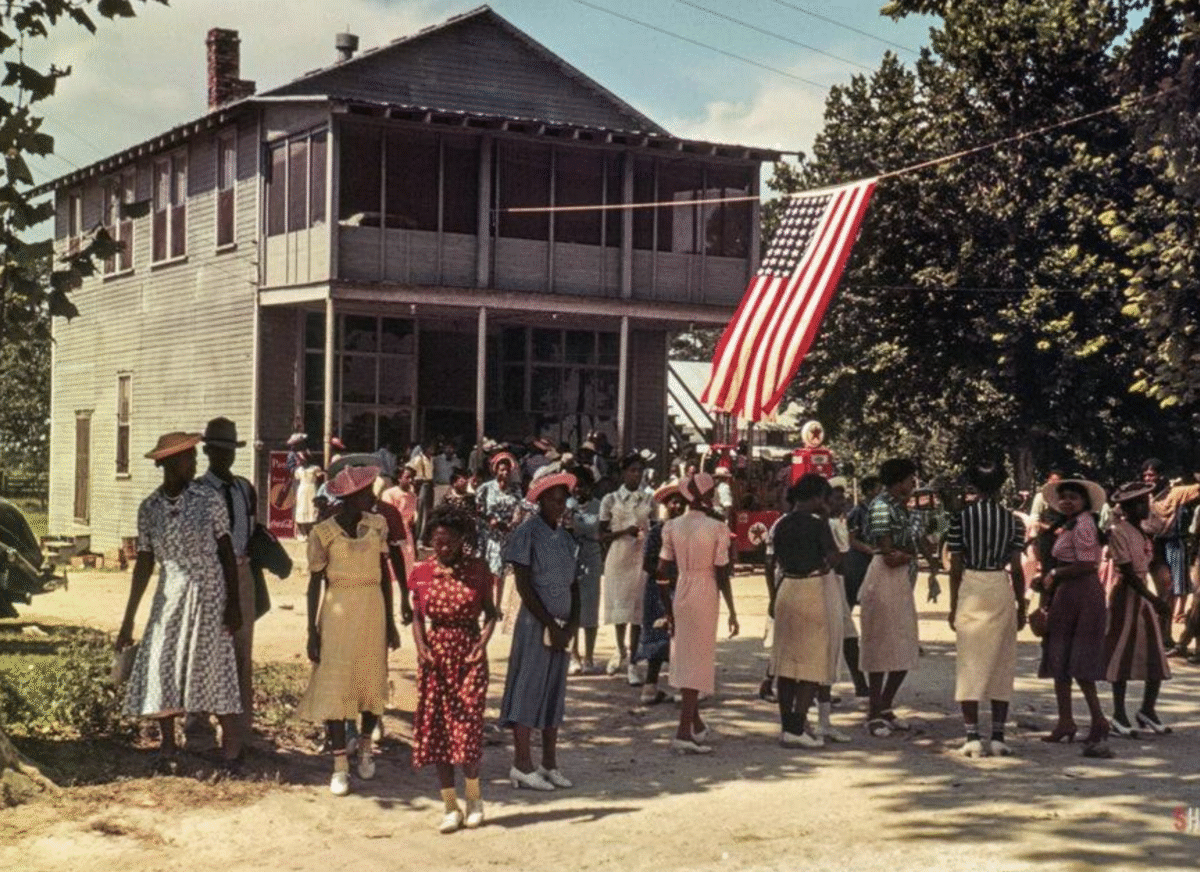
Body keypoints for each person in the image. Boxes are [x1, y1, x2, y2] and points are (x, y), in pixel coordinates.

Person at [116, 432, 243, 768]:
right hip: (169, 592)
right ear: (169, 463)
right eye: (188, 458)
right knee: (162, 663)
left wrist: (234, 602)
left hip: (208, 591)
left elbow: (226, 552)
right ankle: (168, 747)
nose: (195, 464)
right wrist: (129, 619)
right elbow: (144, 563)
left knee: (213, 664)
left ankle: (232, 749)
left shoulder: (208, 499)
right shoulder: (150, 508)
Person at [298, 465, 402, 795]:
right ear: (349, 497)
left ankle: (366, 750)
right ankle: (340, 765)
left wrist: (391, 622)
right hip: (337, 612)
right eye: (366, 493)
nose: (372, 498)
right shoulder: (323, 532)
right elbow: (314, 584)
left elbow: (385, 577)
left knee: (370, 678)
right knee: (335, 684)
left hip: (372, 610)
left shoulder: (377, 526)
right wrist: (312, 631)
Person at [409, 505, 498, 833]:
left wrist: (481, 644)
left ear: (462, 540)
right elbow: (417, 615)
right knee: (438, 732)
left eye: (449, 542)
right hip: (435, 658)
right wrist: (421, 647)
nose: (442, 547)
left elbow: (491, 613)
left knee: (468, 727)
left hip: (468, 656)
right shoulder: (421, 571)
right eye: (437, 541)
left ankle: (474, 799)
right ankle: (450, 806)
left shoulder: (477, 570)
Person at [499, 472, 580, 791]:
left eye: (564, 500)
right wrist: (548, 623)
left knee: (553, 693)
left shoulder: (567, 539)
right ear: (541, 500)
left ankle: (549, 763)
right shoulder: (527, 533)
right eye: (555, 500)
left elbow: (575, 585)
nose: (560, 506)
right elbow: (522, 583)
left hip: (561, 626)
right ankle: (522, 763)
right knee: (528, 688)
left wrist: (570, 626)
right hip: (536, 623)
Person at [945, 460, 1027, 757]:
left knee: (970, 659)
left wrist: (953, 605)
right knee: (1001, 660)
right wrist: (1022, 604)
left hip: (972, 585)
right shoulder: (1013, 521)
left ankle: (971, 736)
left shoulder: (960, 518)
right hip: (1000, 584)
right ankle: (998, 735)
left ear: (974, 487)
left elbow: (955, 565)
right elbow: (1017, 567)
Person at [656, 472, 739, 754]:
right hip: (706, 590)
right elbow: (722, 573)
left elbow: (661, 572)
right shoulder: (718, 528)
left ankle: (697, 724)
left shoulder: (671, 526)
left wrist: (668, 610)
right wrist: (732, 610)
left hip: (681, 589)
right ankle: (683, 732)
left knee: (685, 653)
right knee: (698, 657)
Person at [193, 417, 260, 753]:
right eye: (218, 451)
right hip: (209, 575)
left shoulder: (244, 488)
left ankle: (240, 731)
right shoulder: (197, 491)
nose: (225, 457)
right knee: (204, 650)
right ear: (207, 451)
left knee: (240, 653)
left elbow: (253, 531)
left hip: (242, 570)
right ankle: (198, 728)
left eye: (230, 450)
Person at [859, 458, 938, 737]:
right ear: (898, 480)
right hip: (883, 578)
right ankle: (873, 711)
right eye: (909, 480)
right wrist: (909, 554)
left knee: (903, 644)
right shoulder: (881, 507)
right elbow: (888, 553)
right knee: (881, 644)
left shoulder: (903, 508)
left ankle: (884, 705)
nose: (912, 485)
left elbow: (913, 545)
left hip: (900, 580)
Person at [1034, 478, 1111, 757]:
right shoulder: (1067, 525)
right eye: (1063, 497)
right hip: (1067, 593)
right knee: (1060, 657)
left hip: (1081, 592)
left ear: (1085, 503)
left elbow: (1088, 563)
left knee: (1077, 659)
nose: (1067, 501)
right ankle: (1066, 720)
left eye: (1073, 498)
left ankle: (1097, 719)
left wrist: (1055, 575)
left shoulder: (1084, 525)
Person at [768, 474, 842, 748]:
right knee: (812, 662)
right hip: (812, 588)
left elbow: (772, 560)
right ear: (816, 498)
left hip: (787, 587)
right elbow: (834, 558)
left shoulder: (781, 524)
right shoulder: (817, 524)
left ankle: (788, 726)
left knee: (786, 662)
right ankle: (799, 726)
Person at [1104, 481, 1173, 737]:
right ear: (1128, 508)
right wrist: (1154, 599)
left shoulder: (1143, 532)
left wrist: (1157, 593)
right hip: (1127, 596)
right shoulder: (1119, 531)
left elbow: (1148, 565)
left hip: (1143, 595)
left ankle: (1147, 708)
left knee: (1155, 653)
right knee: (1122, 651)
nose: (1147, 506)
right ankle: (1119, 714)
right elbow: (1128, 572)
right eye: (1141, 503)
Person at [600, 452, 654, 685]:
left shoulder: (648, 500)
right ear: (623, 473)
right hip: (618, 557)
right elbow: (601, 534)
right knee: (620, 607)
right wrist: (624, 532)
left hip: (639, 557)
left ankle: (633, 661)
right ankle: (619, 649)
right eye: (632, 470)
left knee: (637, 611)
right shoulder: (610, 500)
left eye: (640, 471)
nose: (636, 475)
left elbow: (655, 527)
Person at [635, 482, 688, 705]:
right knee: (658, 634)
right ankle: (650, 686)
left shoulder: (687, 531)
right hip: (659, 590)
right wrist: (665, 578)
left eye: (681, 502)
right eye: (673, 502)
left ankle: (681, 685)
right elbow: (647, 562)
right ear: (666, 504)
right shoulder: (657, 531)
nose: (677, 506)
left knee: (680, 637)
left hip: (680, 586)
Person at [1141, 459, 1200, 643]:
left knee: (1167, 590)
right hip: (1142, 543)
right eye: (1145, 474)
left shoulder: (1175, 493)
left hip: (1164, 545)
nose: (1148, 478)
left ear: (1161, 476)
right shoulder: (1140, 492)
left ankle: (1163, 636)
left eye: (1152, 474)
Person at [827, 477, 868, 699]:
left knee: (848, 635)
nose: (842, 501)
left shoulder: (839, 522)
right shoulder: (830, 524)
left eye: (843, 497)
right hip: (831, 582)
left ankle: (859, 682)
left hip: (839, 583)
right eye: (837, 497)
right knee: (843, 636)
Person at [476, 452, 524, 612]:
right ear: (495, 470)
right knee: (491, 570)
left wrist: (514, 521)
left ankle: (497, 605)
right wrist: (490, 520)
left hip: (507, 534)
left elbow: (519, 508)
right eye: (501, 469)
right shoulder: (486, 488)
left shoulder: (515, 490)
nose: (504, 473)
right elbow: (478, 509)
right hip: (490, 535)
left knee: (501, 572)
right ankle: (487, 603)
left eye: (507, 470)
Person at [567, 468, 603, 674]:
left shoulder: (599, 506)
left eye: (582, 485)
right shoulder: (567, 505)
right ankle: (574, 654)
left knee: (591, 606)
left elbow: (595, 529)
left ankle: (589, 655)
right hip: (571, 557)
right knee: (572, 608)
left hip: (592, 556)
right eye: (575, 486)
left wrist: (579, 525)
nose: (578, 490)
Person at [293, 451, 321, 540]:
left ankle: (311, 533)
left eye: (301, 459)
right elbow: (297, 479)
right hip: (302, 490)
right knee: (302, 509)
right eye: (299, 459)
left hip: (311, 489)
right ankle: (302, 533)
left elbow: (319, 477)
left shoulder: (315, 469)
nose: (300, 461)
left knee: (311, 509)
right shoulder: (299, 470)